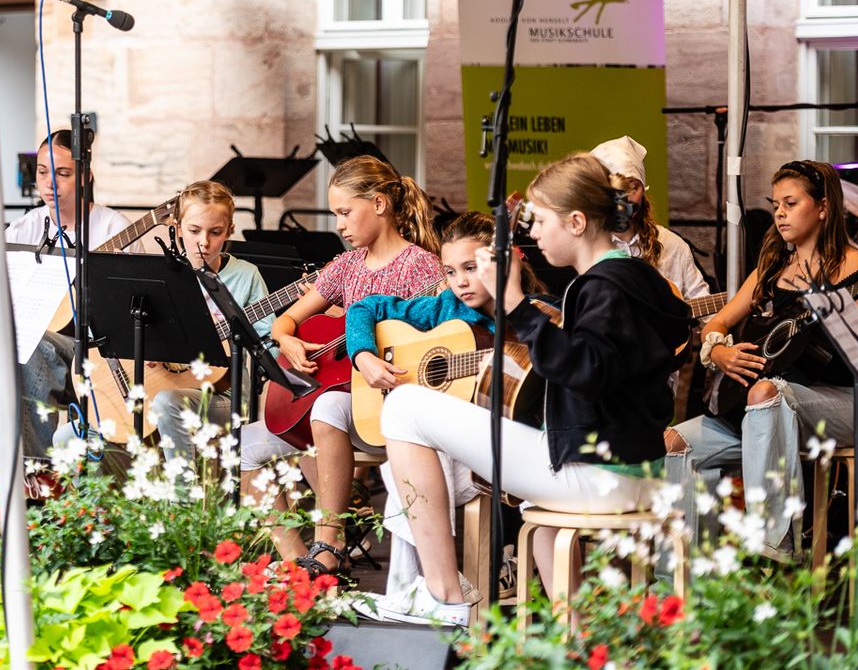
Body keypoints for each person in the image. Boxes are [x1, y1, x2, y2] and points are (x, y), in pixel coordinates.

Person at [380, 153, 691, 625]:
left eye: (542, 221)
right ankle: (585, 643)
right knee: (538, 522)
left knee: (403, 406)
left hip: (600, 472)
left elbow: (587, 369)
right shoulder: (637, 277)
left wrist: (516, 305)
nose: (536, 232)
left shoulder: (604, 286)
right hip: (640, 470)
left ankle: (445, 594)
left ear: (577, 221)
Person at [665, 160, 858, 560]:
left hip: (845, 403)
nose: (779, 213)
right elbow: (717, 321)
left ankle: (772, 544)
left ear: (823, 207)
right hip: (770, 405)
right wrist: (720, 352)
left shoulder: (855, 265)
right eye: (776, 204)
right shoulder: (773, 266)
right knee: (677, 441)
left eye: (791, 203)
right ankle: (686, 575)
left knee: (766, 392)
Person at [0, 129, 132, 538]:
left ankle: (39, 487)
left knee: (33, 344)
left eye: (63, 173)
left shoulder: (112, 227)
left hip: (85, 358)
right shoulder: (24, 228)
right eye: (44, 172)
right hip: (15, 360)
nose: (50, 183)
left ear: (85, 175)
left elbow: (124, 310)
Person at [238, 155, 443, 578]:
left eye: (346, 212)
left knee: (326, 409)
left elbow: (432, 341)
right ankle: (298, 563)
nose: (340, 225)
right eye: (336, 214)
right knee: (245, 446)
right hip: (334, 404)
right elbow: (285, 319)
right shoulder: (346, 266)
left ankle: (327, 544)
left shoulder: (420, 266)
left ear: (381, 204)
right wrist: (287, 340)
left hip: (385, 405)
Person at [345, 211, 547, 610]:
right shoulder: (443, 310)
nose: (460, 282)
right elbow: (364, 308)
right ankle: (423, 591)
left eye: (471, 268)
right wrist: (364, 354)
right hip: (443, 457)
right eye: (451, 271)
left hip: (499, 457)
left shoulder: (533, 317)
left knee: (405, 458)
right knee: (405, 454)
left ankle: (420, 592)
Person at [149, 181, 272, 460]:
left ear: (229, 231)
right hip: (163, 384)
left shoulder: (246, 275)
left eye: (215, 233)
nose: (203, 242)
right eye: (193, 231)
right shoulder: (162, 274)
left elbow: (270, 346)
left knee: (167, 403)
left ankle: (183, 502)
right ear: (178, 228)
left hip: (226, 397)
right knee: (68, 436)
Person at [590, 135, 710, 300]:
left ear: (643, 190)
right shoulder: (585, 244)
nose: (626, 198)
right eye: (617, 190)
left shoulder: (672, 245)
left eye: (633, 187)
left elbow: (705, 307)